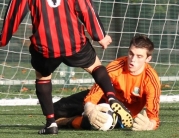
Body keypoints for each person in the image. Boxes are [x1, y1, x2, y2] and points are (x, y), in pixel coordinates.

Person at [0, 0, 132, 135]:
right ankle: (111, 97)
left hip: (46, 46)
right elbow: (86, 9)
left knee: (43, 76)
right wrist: (100, 36)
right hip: (74, 43)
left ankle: (51, 123)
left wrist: (2, 40)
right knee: (95, 66)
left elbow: (13, 14)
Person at [53, 35, 161, 131]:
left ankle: (65, 122)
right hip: (103, 98)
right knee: (54, 111)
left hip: (122, 116)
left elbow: (153, 117)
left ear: (148, 59)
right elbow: (97, 90)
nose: (133, 59)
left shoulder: (151, 80)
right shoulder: (117, 66)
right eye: (131, 54)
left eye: (139, 56)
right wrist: (90, 108)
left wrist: (149, 126)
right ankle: (80, 115)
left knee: (101, 123)